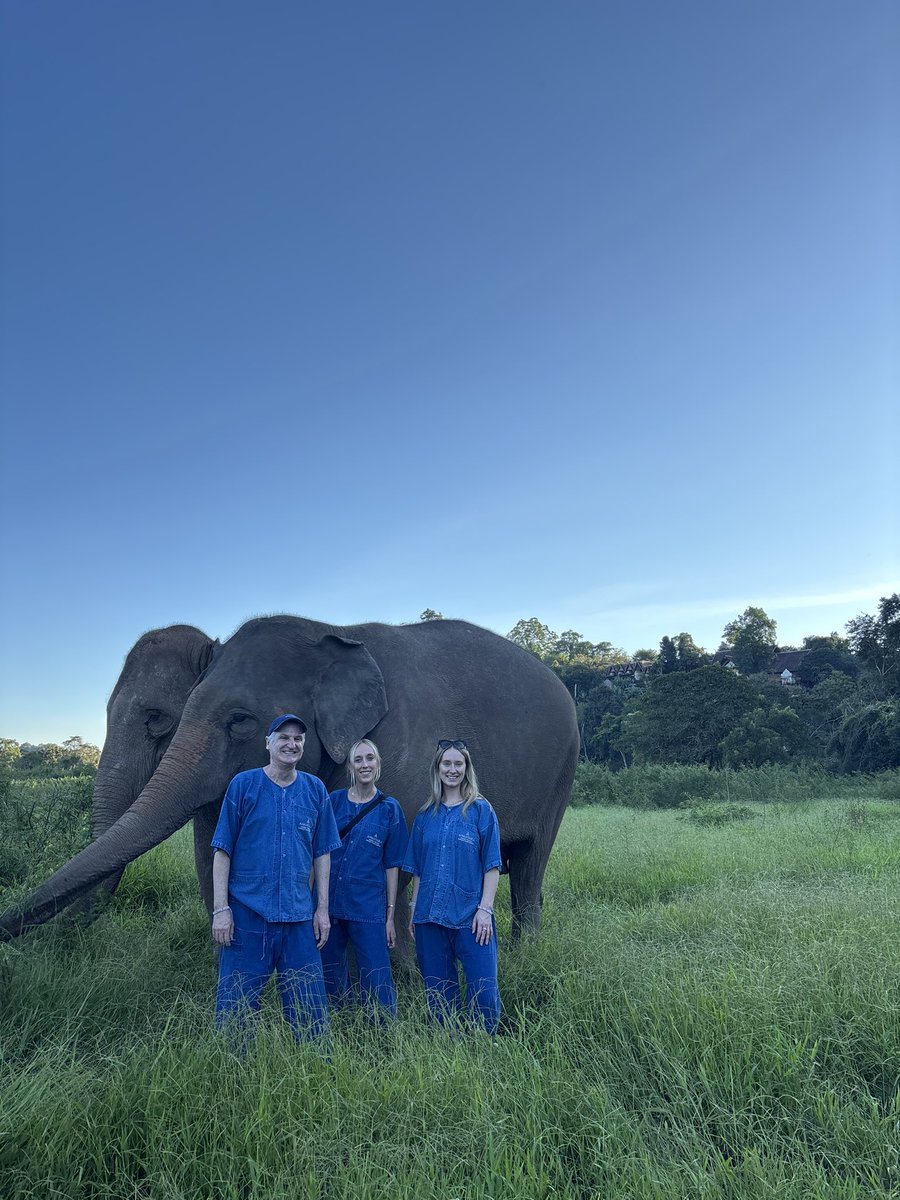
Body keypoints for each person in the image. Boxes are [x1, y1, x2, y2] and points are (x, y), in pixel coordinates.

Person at [210, 714, 339, 1043]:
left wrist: (322, 909)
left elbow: (322, 852)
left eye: (297, 739)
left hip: (298, 918)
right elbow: (222, 849)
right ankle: (233, 1073)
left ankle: (314, 1071)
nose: (291, 744)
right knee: (235, 1011)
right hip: (248, 915)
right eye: (283, 737)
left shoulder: (314, 789)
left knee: (310, 1014)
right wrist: (221, 909)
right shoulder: (244, 785)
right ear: (267, 743)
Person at [403, 738, 502, 1034]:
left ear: (466, 768)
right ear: (437, 768)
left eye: (458, 763)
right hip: (429, 917)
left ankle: (485, 1044)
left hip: (471, 919)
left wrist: (485, 909)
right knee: (438, 992)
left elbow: (492, 865)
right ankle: (449, 1044)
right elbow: (418, 870)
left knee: (483, 989)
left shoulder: (481, 811)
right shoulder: (425, 817)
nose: (452, 769)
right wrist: (413, 909)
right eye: (447, 763)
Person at [320, 739, 408, 1019]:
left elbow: (392, 866)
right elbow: (318, 852)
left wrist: (390, 916)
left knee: (376, 973)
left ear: (378, 765)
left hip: (368, 907)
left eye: (370, 758)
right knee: (329, 970)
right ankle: (340, 1022)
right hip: (331, 904)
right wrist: (316, 904)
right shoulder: (333, 802)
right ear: (350, 766)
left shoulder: (389, 810)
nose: (365, 764)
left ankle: (382, 1033)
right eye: (358, 759)